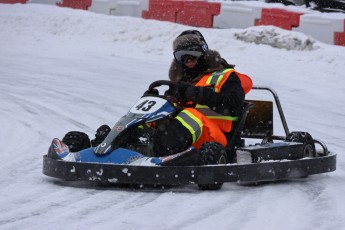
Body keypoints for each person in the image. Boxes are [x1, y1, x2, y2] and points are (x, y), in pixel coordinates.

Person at [151, 30, 253, 158]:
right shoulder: (180, 82)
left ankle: (162, 153)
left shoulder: (226, 76)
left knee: (190, 116)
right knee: (153, 116)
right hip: (185, 139)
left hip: (216, 138)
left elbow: (234, 106)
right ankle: (132, 147)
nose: (188, 59)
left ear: (204, 52)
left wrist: (199, 94)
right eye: (181, 55)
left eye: (193, 53)